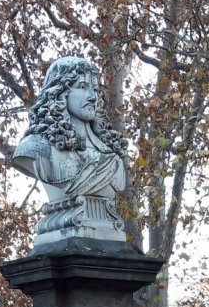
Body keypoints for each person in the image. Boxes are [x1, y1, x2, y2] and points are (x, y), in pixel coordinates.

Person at [13, 56, 129, 250]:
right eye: (82, 87)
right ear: (60, 92)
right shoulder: (37, 148)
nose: (92, 96)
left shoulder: (112, 156)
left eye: (95, 89)